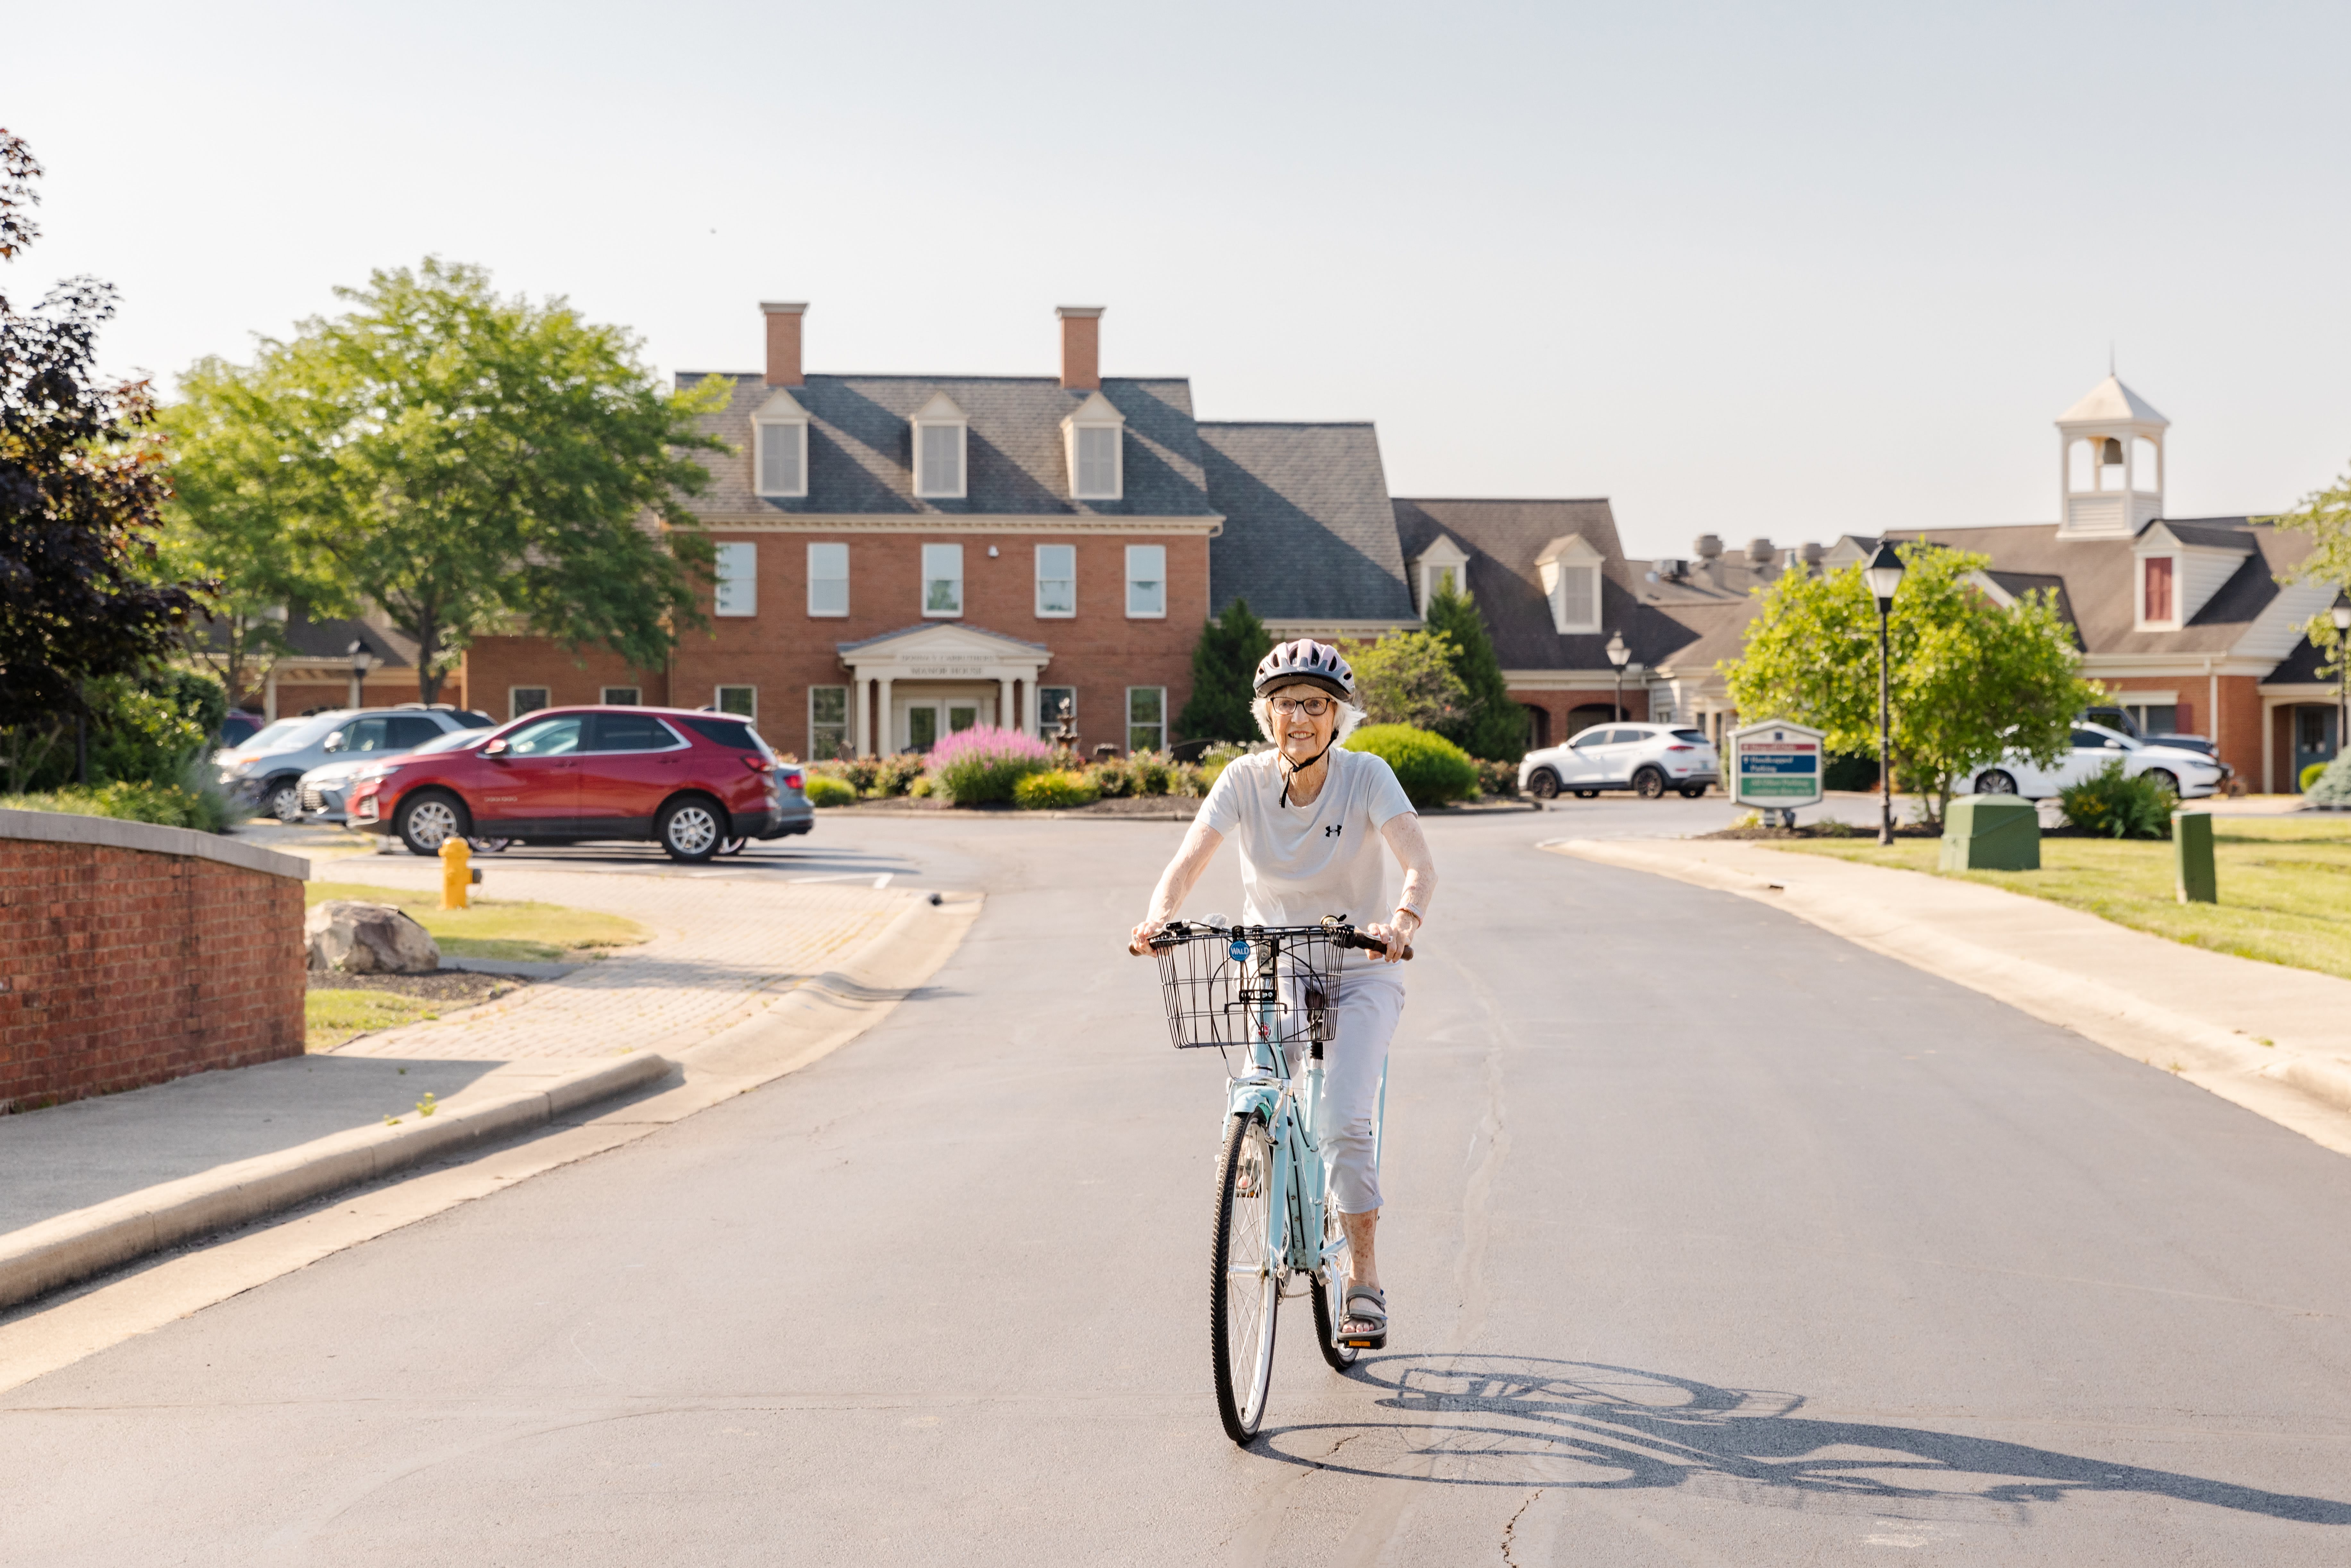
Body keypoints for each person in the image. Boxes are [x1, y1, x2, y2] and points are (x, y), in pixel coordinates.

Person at [1128, 638, 1437, 1348]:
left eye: (1315, 705)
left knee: (1345, 1124)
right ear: (1264, 715)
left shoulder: (1368, 777)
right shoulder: (1241, 780)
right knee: (1268, 1065)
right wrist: (1158, 915)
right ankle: (1254, 1139)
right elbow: (1188, 861)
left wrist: (1400, 922)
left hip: (1360, 963)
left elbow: (1418, 861)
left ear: (1338, 717)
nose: (1299, 718)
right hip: (1275, 958)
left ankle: (1363, 1277)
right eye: (1284, 704)